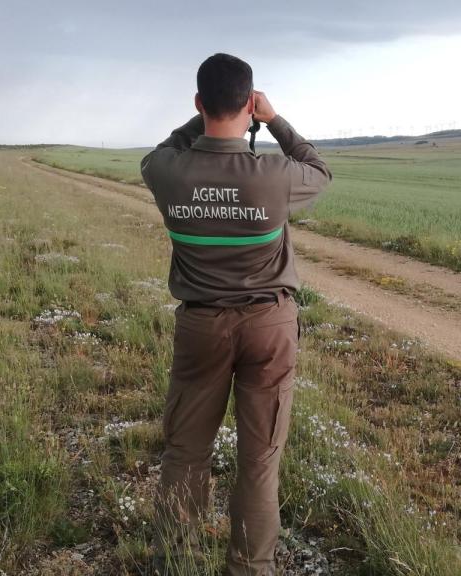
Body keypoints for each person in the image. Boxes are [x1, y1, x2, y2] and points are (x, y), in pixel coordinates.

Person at [140, 52, 331, 575]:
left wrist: (200, 119)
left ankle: (176, 560)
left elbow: (164, 147)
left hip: (200, 325)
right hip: (269, 327)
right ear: (249, 104)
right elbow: (320, 169)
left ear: (199, 103)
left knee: (185, 452)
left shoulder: (166, 171)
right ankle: (250, 569)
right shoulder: (273, 174)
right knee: (259, 460)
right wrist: (272, 120)